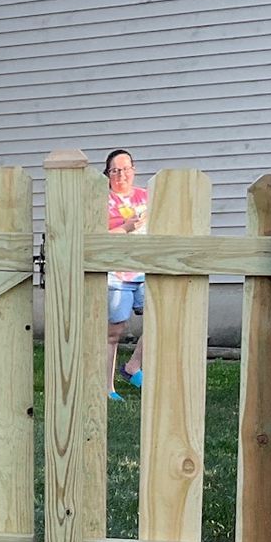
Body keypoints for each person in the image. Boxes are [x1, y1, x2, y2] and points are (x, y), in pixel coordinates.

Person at [103, 149, 149, 401]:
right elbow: (96, 239)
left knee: (160, 320)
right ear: (108, 174)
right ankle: (107, 388)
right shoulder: (102, 201)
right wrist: (125, 228)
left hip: (147, 269)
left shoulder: (147, 196)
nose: (122, 174)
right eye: (115, 170)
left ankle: (133, 367)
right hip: (118, 274)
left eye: (126, 168)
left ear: (134, 169)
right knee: (114, 331)